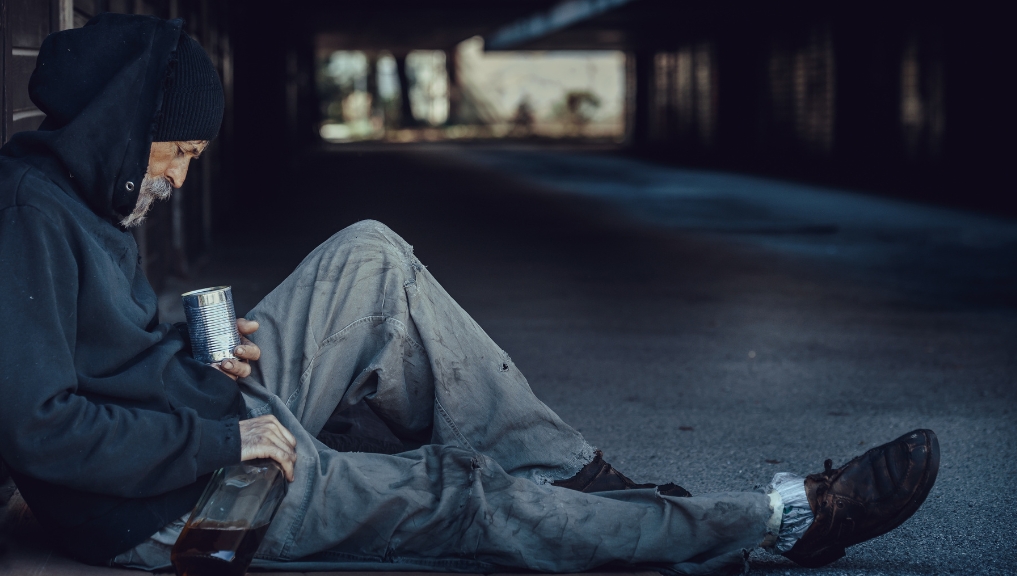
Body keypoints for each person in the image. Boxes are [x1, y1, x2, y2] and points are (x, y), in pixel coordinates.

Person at [0, 13, 938, 575]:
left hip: (197, 410)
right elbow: (42, 431)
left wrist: (197, 343)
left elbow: (104, 350)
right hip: (170, 500)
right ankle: (785, 516)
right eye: (182, 154)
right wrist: (224, 436)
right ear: (133, 130)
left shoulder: (88, 193)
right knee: (465, 497)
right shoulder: (29, 217)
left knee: (371, 254)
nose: (181, 177)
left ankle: (579, 479)